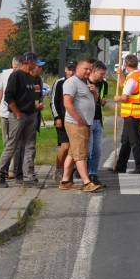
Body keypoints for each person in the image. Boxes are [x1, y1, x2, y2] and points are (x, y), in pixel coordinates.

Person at [0, 52, 44, 188]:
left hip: (31, 115)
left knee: (29, 146)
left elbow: (34, 95)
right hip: (18, 115)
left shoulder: (31, 78)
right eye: (35, 62)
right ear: (29, 61)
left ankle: (28, 177)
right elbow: (8, 96)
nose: (36, 64)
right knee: (12, 145)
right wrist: (16, 112)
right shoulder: (15, 75)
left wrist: (36, 107)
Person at [60, 58, 104, 192]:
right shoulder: (71, 82)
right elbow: (67, 103)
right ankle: (87, 183)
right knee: (81, 154)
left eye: (90, 69)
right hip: (76, 123)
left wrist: (95, 92)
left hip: (85, 123)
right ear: (78, 68)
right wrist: (79, 120)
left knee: (73, 153)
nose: (88, 71)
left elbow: (94, 102)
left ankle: (65, 181)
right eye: (86, 69)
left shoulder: (85, 82)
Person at [112, 54, 140, 174]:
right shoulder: (138, 75)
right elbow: (124, 86)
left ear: (126, 65)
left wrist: (117, 98)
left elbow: (125, 97)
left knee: (134, 141)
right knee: (126, 141)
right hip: (134, 113)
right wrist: (121, 75)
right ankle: (121, 166)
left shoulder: (132, 78)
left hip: (132, 113)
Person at [0, 55, 23, 179]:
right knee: (6, 142)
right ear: (12, 65)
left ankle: (11, 169)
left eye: (18, 67)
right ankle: (5, 167)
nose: (16, 70)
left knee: (15, 142)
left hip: (17, 114)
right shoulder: (5, 75)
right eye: (15, 67)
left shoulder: (24, 76)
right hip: (5, 113)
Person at [86, 61, 110, 187]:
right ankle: (84, 173)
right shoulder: (84, 82)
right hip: (87, 121)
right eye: (101, 73)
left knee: (97, 150)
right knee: (88, 151)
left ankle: (93, 174)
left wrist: (103, 101)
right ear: (94, 71)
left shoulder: (103, 84)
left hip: (98, 120)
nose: (103, 76)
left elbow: (101, 100)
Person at [51, 61, 76, 174]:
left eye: (73, 70)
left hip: (75, 120)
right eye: (69, 69)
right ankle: (57, 170)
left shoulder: (79, 83)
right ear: (65, 70)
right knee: (65, 146)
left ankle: (68, 171)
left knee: (73, 148)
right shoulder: (59, 83)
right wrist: (57, 117)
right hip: (62, 118)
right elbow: (53, 101)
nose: (71, 72)